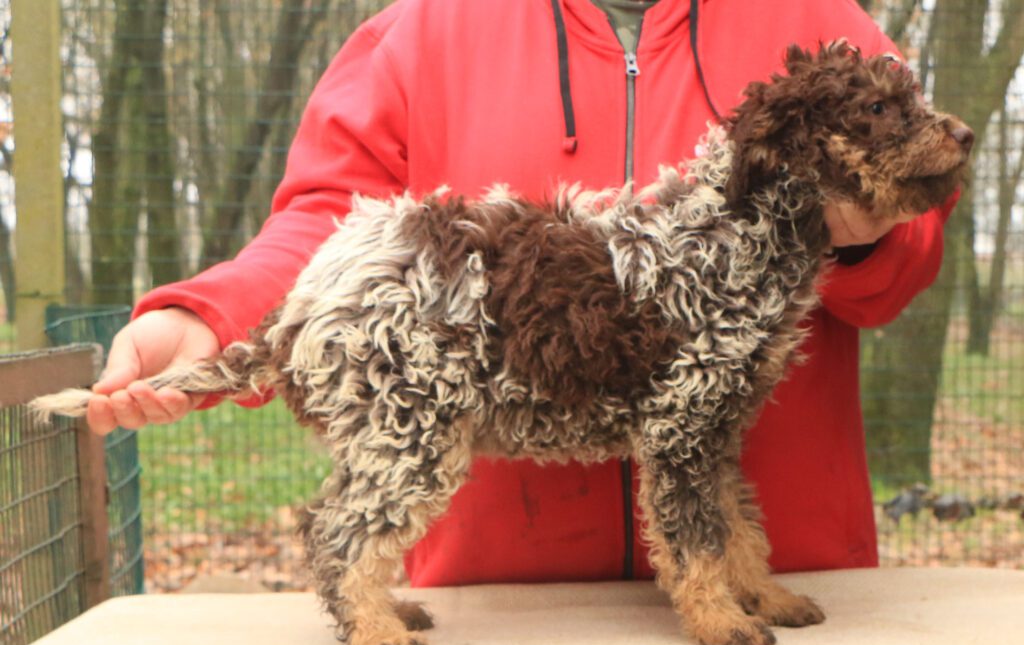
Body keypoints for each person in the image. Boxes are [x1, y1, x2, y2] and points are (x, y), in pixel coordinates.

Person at [85, 0, 956, 587]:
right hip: (496, 607)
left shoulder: (822, 22)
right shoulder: (425, 28)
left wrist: (865, 227)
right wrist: (215, 314)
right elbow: (332, 223)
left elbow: (910, 254)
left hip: (784, 584)